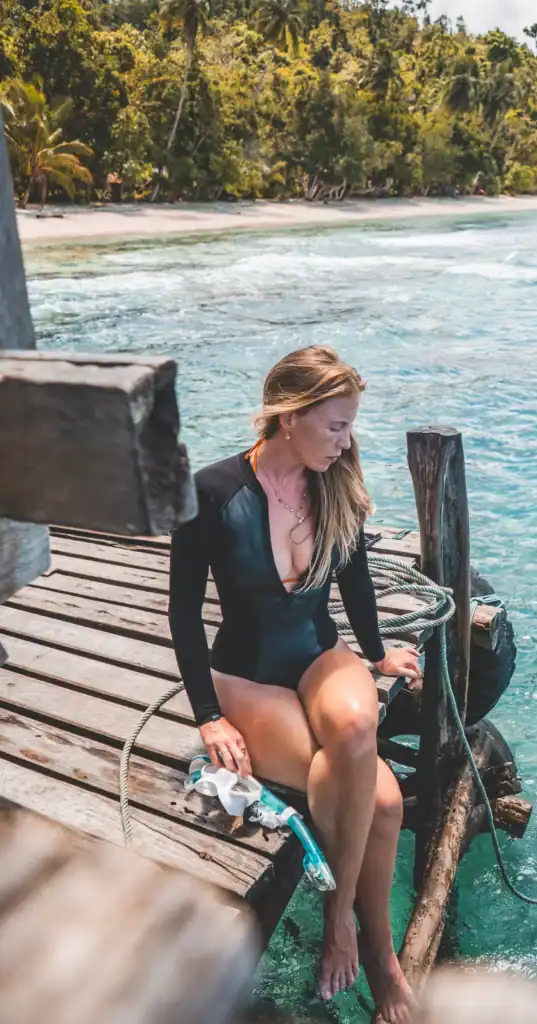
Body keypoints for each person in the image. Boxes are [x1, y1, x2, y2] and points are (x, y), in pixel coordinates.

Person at [168, 345, 421, 1024]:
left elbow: (356, 583)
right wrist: (207, 716)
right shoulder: (212, 492)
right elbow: (183, 613)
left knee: (355, 728)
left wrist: (374, 652)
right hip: (246, 673)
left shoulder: (333, 484)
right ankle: (377, 951)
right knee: (385, 805)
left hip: (319, 651)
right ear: (290, 417)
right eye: (335, 425)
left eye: (348, 426)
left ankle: (343, 921)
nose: (346, 441)